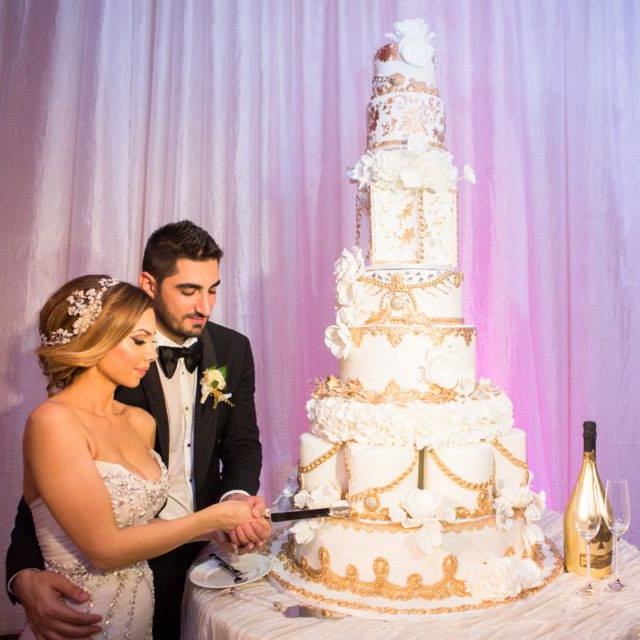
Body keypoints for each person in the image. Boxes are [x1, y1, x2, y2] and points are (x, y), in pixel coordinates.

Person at [7, 221, 271, 639]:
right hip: (116, 582)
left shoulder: (231, 350)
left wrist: (230, 510)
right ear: (149, 282)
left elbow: (241, 443)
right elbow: (48, 499)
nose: (205, 306)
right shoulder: (86, 395)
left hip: (208, 554)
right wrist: (20, 574)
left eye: (213, 289)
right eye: (188, 291)